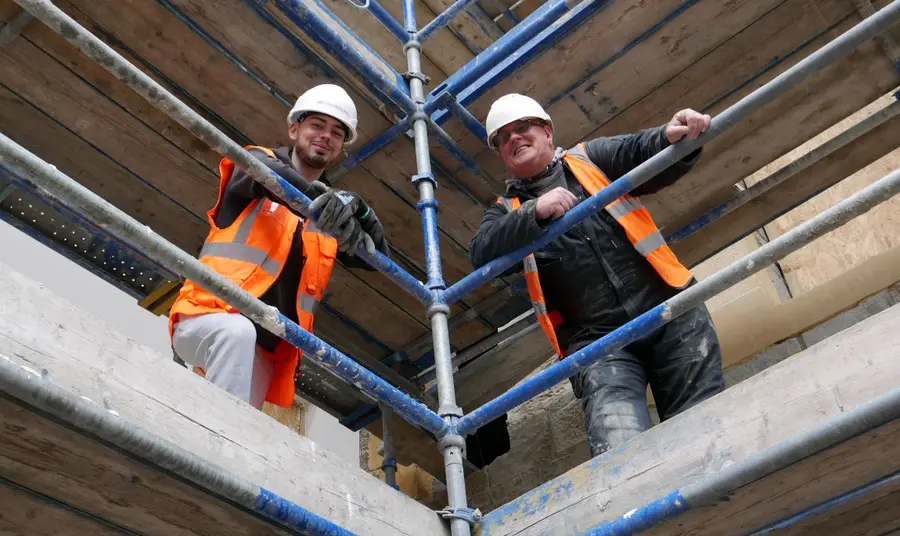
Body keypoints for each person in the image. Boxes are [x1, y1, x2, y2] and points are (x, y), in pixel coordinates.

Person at [469, 93, 724, 457]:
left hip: (670, 312)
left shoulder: (591, 158)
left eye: (522, 127)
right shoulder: (504, 213)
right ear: (501, 155)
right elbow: (481, 253)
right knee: (621, 456)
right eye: (503, 137)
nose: (513, 138)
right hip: (598, 345)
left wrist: (675, 133)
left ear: (546, 132)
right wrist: (534, 213)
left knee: (705, 431)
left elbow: (643, 149)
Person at [168, 84, 388, 410]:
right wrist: (327, 204)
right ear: (294, 128)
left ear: (341, 146)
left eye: (337, 132)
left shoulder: (330, 218)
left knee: (236, 429)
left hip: (265, 348)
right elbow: (270, 176)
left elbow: (377, 260)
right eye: (317, 125)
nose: (326, 136)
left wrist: (362, 211)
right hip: (207, 317)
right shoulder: (255, 161)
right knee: (237, 335)